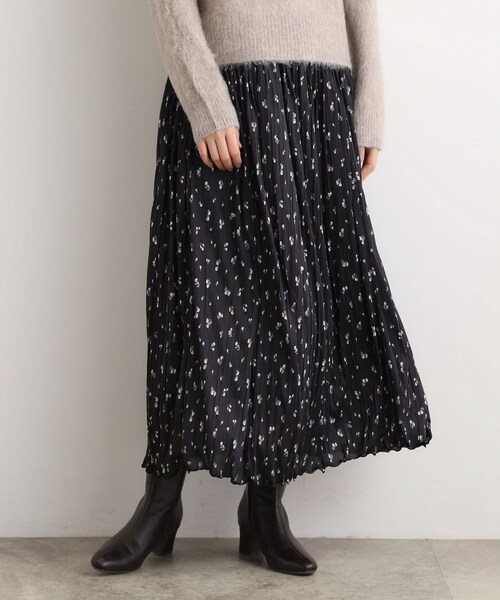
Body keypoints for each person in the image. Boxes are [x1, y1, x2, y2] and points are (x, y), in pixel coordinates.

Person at [91, 0, 432, 576]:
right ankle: (161, 501)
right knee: (188, 302)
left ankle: (265, 507)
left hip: (318, 100)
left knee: (297, 309)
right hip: (225, 94)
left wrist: (368, 105)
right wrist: (205, 101)